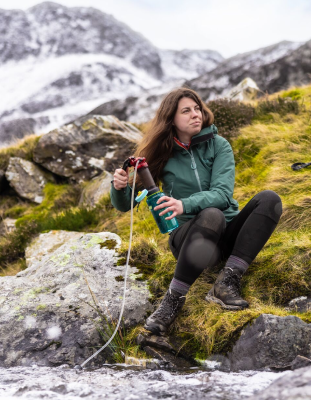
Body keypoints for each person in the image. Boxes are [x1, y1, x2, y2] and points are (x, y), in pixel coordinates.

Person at [110, 88, 282, 336]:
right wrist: (119, 187)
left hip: (227, 235)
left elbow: (223, 194)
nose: (195, 114)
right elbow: (126, 204)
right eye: (186, 111)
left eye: (197, 108)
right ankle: (172, 301)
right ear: (172, 119)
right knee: (211, 215)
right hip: (189, 237)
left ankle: (227, 281)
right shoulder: (160, 154)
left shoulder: (219, 145)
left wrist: (183, 204)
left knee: (269, 199)